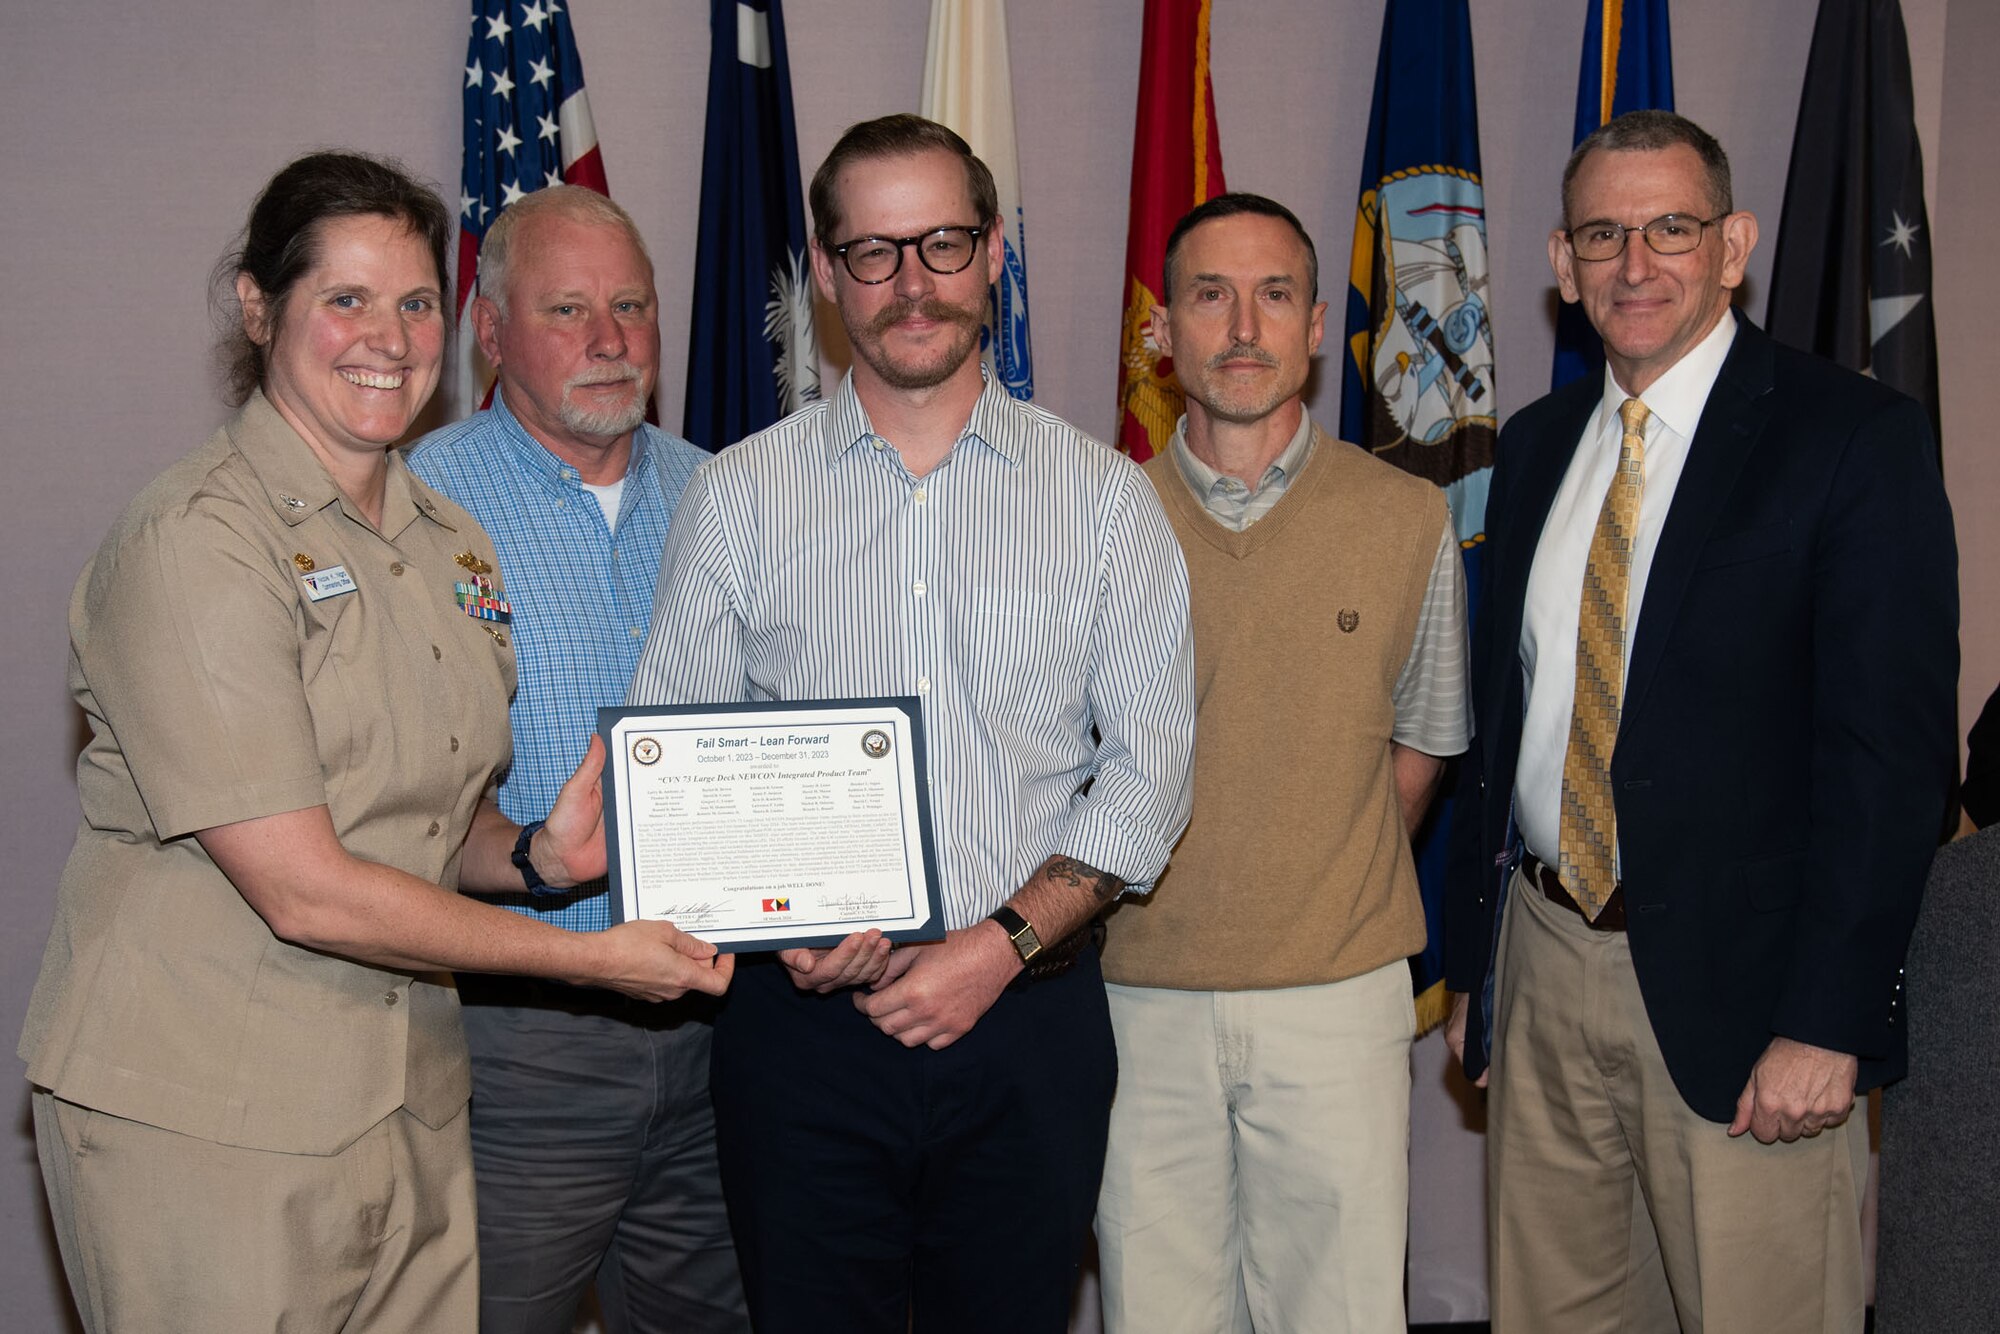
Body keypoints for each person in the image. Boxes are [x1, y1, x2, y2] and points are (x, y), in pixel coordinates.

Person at [19, 152, 731, 1334]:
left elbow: (422, 825)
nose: (387, 338)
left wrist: (544, 857)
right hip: (211, 1105)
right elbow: (305, 886)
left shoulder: (443, 534)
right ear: (260, 308)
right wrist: (588, 957)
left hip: (403, 1088)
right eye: (343, 299)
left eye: (409, 303)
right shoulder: (195, 542)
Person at [625, 113, 1196, 1334]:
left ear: (994, 253)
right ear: (825, 275)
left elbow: (1148, 780)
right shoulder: (736, 496)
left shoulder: (1102, 499)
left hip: (1027, 1018)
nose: (911, 284)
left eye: (941, 243)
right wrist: (788, 922)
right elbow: (681, 765)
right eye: (872, 253)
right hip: (802, 1029)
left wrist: (994, 946)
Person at [1442, 111, 1957, 1332]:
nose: (1634, 263)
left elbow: (1888, 765)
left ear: (1733, 245)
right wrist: (1479, 965)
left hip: (1749, 1002)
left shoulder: (1848, 441)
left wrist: (1828, 1021)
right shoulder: (1532, 448)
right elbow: (1502, 719)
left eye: (1669, 228)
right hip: (1545, 964)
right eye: (1602, 234)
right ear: (1559, 264)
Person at [1094, 192, 1470, 1333]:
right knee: (1156, 1309)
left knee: (1340, 1311)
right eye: (1209, 295)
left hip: (1338, 996)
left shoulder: (1407, 517)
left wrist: (1312, 870)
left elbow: (1419, 750)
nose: (1242, 325)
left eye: (1274, 295)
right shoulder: (1089, 518)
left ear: (1317, 325)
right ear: (1164, 334)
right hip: (1132, 996)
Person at [406, 185, 747, 1334]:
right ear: (492, 334)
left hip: (718, 1033)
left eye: (632, 305)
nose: (610, 339)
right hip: (521, 1044)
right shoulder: (419, 506)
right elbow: (387, 801)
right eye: (568, 309)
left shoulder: (727, 496)